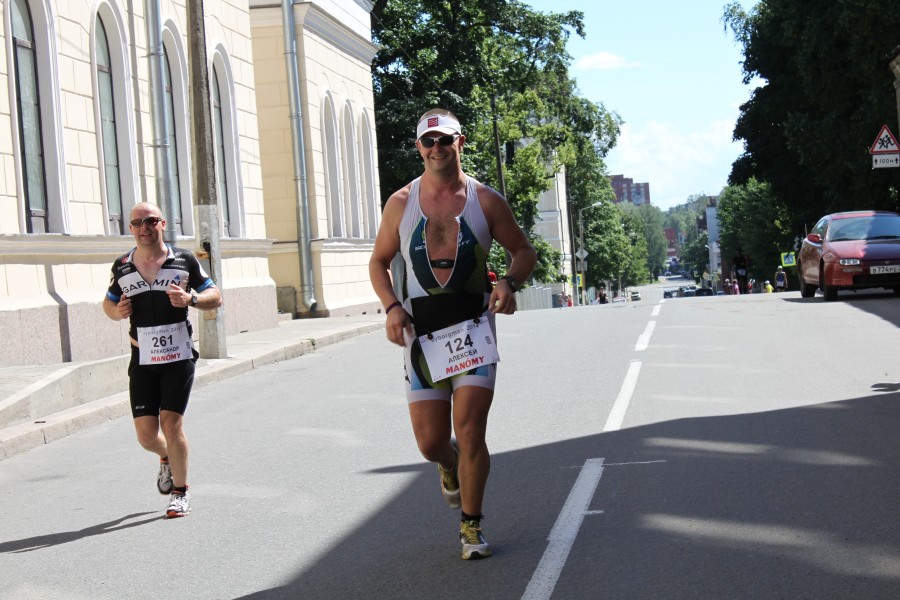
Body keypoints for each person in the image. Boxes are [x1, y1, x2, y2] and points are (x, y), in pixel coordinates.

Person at [368, 108, 537, 560]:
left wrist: (508, 282)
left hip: (473, 330)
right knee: (430, 442)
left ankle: (471, 525)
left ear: (460, 143)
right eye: (429, 142)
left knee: (472, 429)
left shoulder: (485, 200)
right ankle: (448, 465)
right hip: (422, 336)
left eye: (445, 140)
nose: (437, 149)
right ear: (419, 148)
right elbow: (378, 261)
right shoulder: (401, 204)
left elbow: (523, 250)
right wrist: (391, 307)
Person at [103, 202, 222, 518]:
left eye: (151, 221)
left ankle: (180, 493)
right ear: (131, 228)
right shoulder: (123, 266)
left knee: (171, 422)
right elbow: (108, 304)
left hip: (177, 356)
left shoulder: (183, 261)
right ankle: (167, 457)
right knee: (145, 435)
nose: (144, 227)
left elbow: (215, 296)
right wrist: (118, 312)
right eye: (137, 223)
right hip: (142, 358)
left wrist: (191, 299)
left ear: (162, 224)